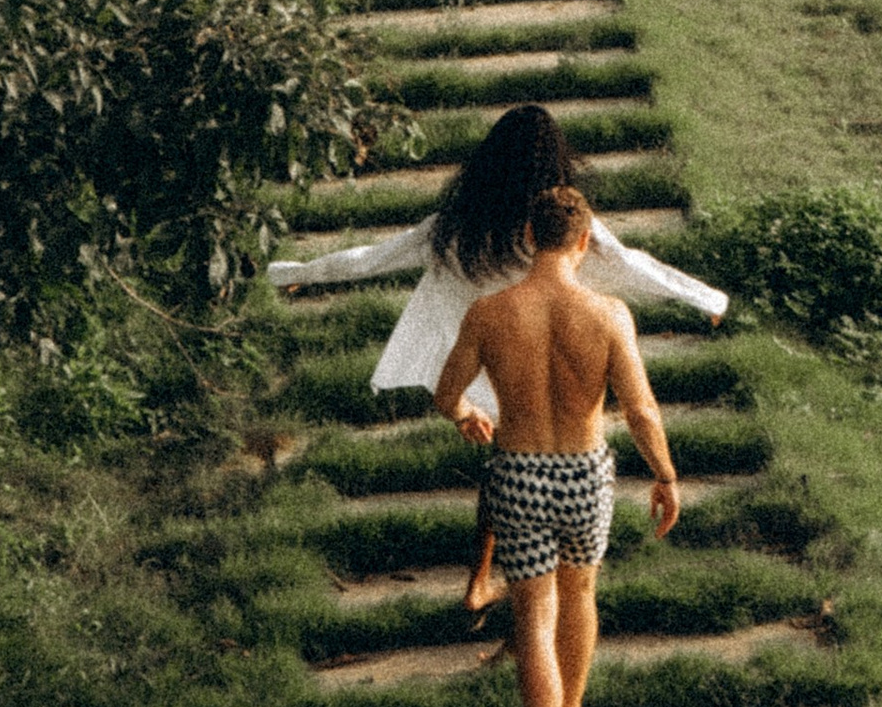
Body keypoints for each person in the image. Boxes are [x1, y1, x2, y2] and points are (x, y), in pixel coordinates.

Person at [269, 102, 724, 619]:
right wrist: (705, 297)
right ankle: (501, 588)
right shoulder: (563, 225)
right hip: (544, 361)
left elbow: (371, 257)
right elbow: (633, 265)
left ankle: (484, 581)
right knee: (528, 478)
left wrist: (296, 272)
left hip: (477, 366)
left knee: (507, 470)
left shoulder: (455, 226)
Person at [435, 181, 679, 707]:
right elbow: (641, 410)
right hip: (583, 473)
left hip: (517, 472)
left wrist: (465, 414)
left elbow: (446, 393)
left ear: (526, 237)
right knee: (579, 594)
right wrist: (665, 475)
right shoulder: (609, 314)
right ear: (584, 240)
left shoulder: (489, 313)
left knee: (533, 617)